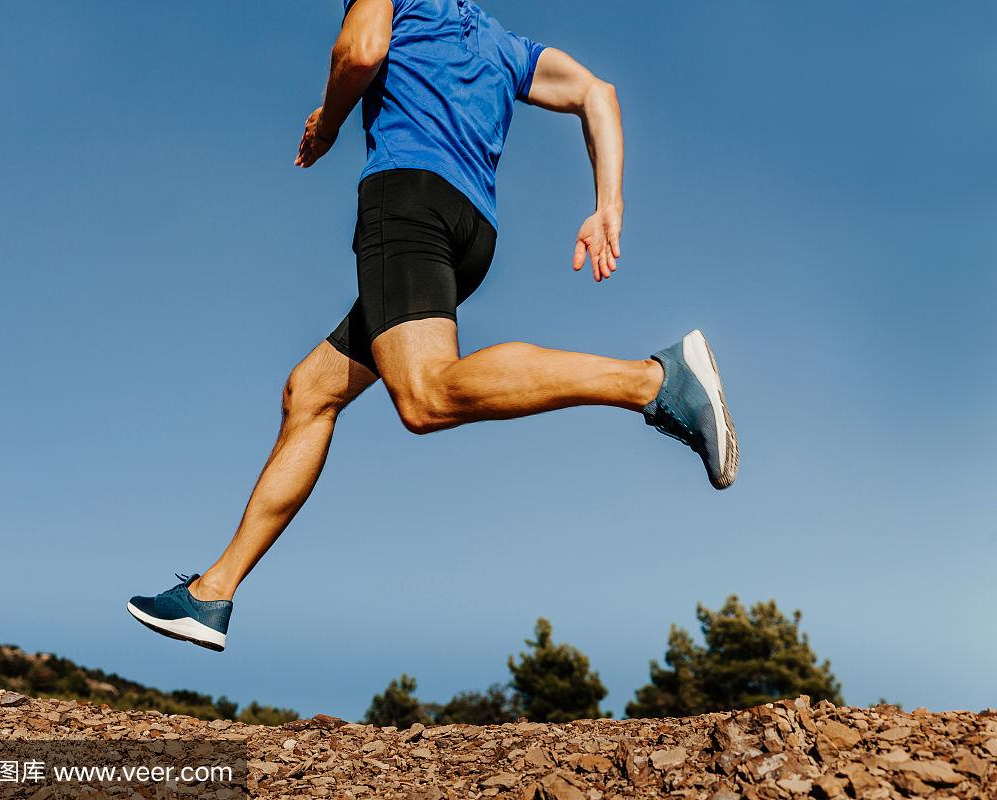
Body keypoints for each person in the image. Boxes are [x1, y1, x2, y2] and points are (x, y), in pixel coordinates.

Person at [127, 0, 738, 651]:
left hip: (407, 204)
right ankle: (212, 592)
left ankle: (653, 380)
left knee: (424, 397)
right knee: (310, 391)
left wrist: (330, 122)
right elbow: (597, 93)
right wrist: (607, 204)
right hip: (470, 233)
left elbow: (360, 51)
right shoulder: (503, 45)